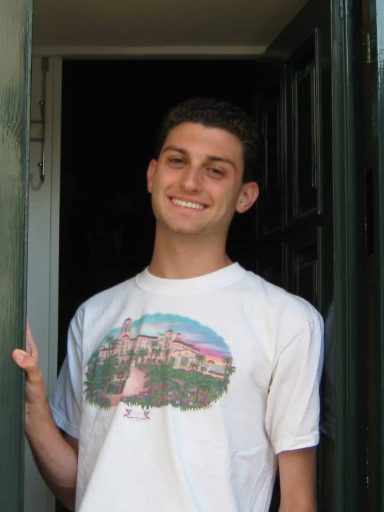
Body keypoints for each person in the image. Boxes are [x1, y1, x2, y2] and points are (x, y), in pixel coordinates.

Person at [13, 98, 323, 512]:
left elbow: (298, 501)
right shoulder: (94, 316)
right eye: (178, 161)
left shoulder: (287, 320)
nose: (191, 183)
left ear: (245, 196)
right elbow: (75, 483)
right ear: (152, 175)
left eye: (215, 170)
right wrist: (34, 405)